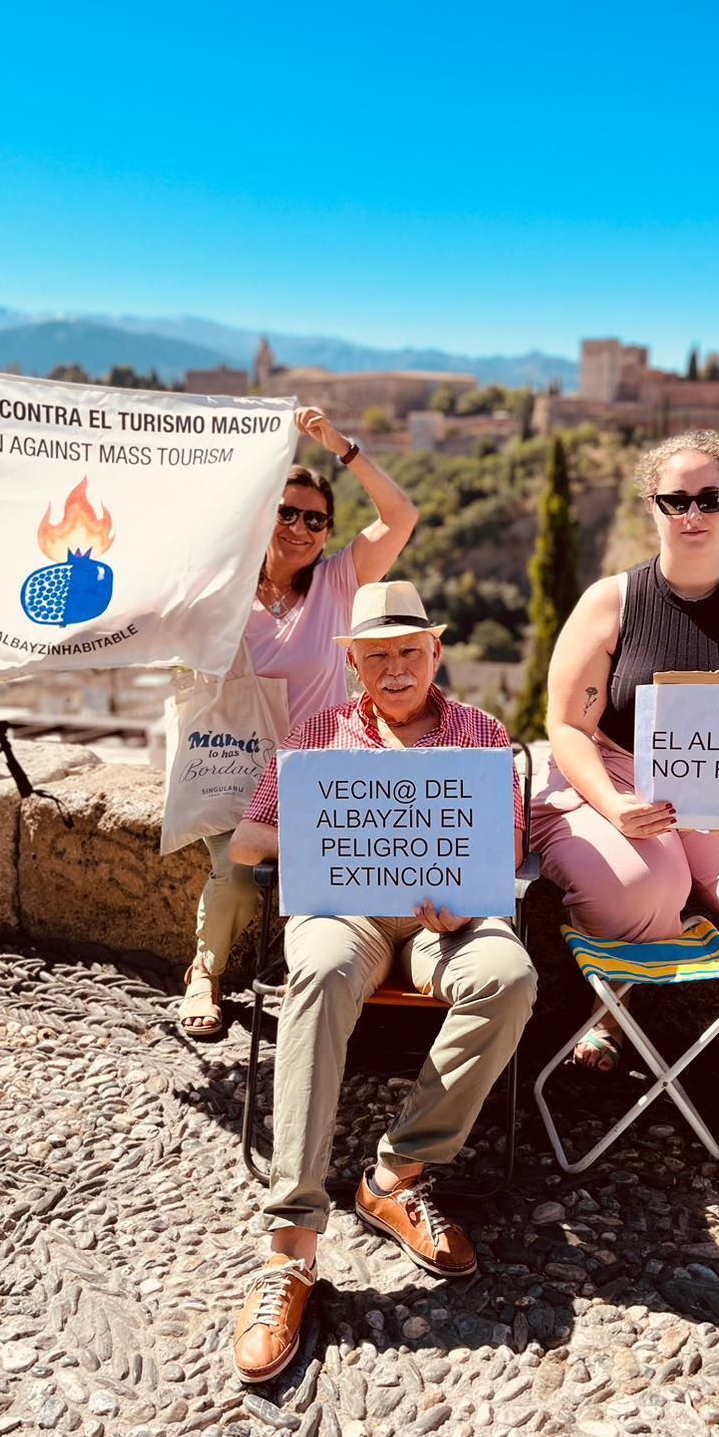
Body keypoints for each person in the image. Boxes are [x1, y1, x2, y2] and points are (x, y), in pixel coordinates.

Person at [228, 580, 536, 1383]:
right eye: (377, 656)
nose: (394, 668)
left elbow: (502, 855)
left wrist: (457, 889)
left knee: (508, 974)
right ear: (355, 663)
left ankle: (395, 1171)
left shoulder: (482, 733)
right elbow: (250, 837)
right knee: (321, 968)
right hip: (351, 913)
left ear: (435, 652)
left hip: (446, 922)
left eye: (409, 651)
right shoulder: (318, 734)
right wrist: (326, 835)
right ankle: (290, 1247)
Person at [533, 429, 719, 1160]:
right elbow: (566, 725)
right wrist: (613, 806)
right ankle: (611, 1015)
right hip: (623, 778)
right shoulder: (612, 600)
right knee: (642, 881)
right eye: (676, 499)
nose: (693, 513)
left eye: (710, 497)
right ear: (653, 506)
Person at [178, 407, 417, 1036]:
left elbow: (402, 517)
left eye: (316, 519)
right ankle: (204, 975)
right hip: (230, 766)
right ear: (263, 516)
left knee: (336, 864)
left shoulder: (339, 581)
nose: (302, 527)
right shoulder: (219, 586)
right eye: (286, 512)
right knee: (234, 872)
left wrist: (342, 447)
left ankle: (312, 979)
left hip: (314, 773)